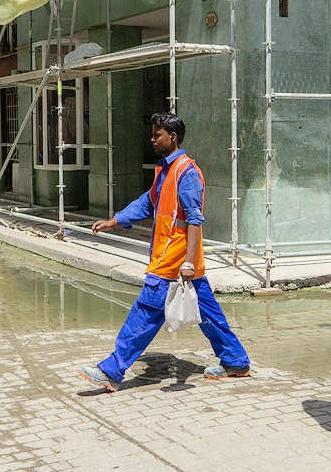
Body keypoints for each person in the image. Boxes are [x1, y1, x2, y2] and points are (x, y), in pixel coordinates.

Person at [79, 112, 251, 392]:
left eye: (157, 134)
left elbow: (194, 220)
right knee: (207, 312)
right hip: (175, 258)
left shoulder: (187, 172)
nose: (152, 139)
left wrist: (187, 262)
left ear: (172, 137)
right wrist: (116, 220)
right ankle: (235, 360)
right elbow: (148, 203)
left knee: (145, 312)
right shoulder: (164, 170)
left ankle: (111, 370)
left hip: (175, 261)